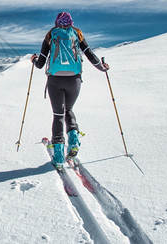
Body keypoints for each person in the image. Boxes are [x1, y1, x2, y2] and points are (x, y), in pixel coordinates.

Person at [31, 12, 109, 168]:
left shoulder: (50, 35)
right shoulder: (77, 33)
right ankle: (73, 140)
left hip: (55, 80)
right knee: (69, 110)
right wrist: (102, 68)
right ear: (71, 22)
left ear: (56, 22)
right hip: (74, 80)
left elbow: (40, 64)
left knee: (58, 114)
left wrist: (33, 60)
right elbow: (90, 55)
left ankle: (58, 156)